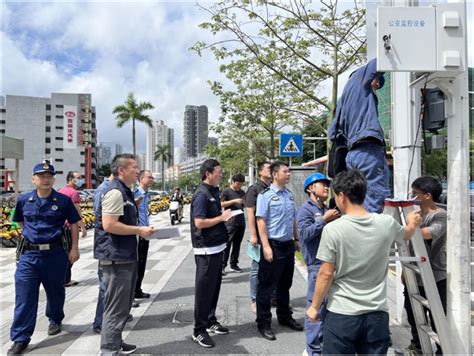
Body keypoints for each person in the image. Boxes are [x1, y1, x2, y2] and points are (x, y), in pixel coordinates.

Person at [306, 169, 421, 354]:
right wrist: (412, 224)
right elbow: (406, 234)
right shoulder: (386, 223)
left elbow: (326, 273)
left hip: (342, 314)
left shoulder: (333, 229)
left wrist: (313, 307)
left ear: (342, 196)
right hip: (377, 314)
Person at [8, 162, 81, 355]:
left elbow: (74, 223)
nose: (45, 179)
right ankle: (21, 338)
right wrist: (30, 237)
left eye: (49, 175)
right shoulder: (24, 200)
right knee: (24, 296)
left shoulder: (63, 200)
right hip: (29, 256)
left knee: (56, 292)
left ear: (54, 179)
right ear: (34, 179)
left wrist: (74, 248)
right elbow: (19, 221)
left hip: (55, 254)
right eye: (41, 176)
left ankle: (55, 319)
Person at [94, 154, 154, 355]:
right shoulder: (115, 192)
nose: (138, 171)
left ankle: (116, 341)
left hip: (125, 255)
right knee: (115, 308)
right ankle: (109, 350)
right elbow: (109, 224)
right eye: (134, 167)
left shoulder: (125, 192)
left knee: (124, 306)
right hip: (116, 257)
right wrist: (140, 230)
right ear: (121, 170)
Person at [328, 58, 389, 213]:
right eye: (377, 81)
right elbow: (379, 61)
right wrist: (395, 37)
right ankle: (371, 235)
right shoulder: (360, 78)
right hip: (367, 149)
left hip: (352, 155)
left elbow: (332, 133)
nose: (376, 86)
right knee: (375, 197)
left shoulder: (342, 101)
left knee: (358, 199)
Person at [255, 161, 303, 341]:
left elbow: (293, 219)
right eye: (286, 171)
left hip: (288, 245)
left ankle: (284, 317)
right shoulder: (265, 196)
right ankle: (263, 322)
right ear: (275, 174)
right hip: (272, 246)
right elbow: (261, 221)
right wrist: (265, 246)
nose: (289, 174)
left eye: (289, 171)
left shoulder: (289, 195)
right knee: (266, 286)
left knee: (285, 284)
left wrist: (296, 239)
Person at [190, 159, 233, 348]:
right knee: (204, 290)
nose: (221, 174)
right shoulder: (201, 194)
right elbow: (199, 222)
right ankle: (198, 330)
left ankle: (210, 320)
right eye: (218, 171)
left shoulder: (213, 191)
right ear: (208, 173)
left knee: (214, 288)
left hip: (217, 247)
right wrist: (221, 218)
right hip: (206, 249)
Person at [296, 173, 340, 355]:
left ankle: (323, 345)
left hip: (331, 265)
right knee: (315, 308)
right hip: (316, 266)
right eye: (322, 184)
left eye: (327, 185)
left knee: (329, 309)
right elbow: (304, 234)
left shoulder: (327, 209)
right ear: (310, 189)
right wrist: (324, 220)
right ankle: (312, 350)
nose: (326, 188)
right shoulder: (306, 210)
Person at [404, 176, 446, 354]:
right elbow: (409, 243)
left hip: (435, 275)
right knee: (413, 313)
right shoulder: (417, 215)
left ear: (427, 195)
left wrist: (408, 227)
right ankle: (418, 346)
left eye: (416, 193)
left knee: (437, 318)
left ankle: (442, 350)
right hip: (415, 274)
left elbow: (426, 234)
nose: (412, 197)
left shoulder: (440, 215)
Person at [245, 161, 271, 314]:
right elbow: (250, 212)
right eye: (268, 168)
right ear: (260, 171)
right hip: (259, 237)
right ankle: (254, 299)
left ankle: (271, 296)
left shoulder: (272, 189)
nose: (271, 170)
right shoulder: (254, 189)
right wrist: (253, 235)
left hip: (271, 234)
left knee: (271, 268)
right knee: (256, 269)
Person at [59, 171, 88, 287]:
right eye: (78, 178)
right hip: (69, 227)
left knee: (63, 253)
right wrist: (83, 228)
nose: (81, 180)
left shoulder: (61, 190)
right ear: (71, 179)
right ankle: (65, 279)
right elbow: (77, 213)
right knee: (70, 253)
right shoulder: (74, 193)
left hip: (60, 227)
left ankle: (62, 278)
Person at [133, 170, 154, 299]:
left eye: (152, 177)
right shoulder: (134, 194)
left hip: (145, 232)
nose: (152, 179)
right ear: (141, 179)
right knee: (137, 261)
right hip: (137, 233)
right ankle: (133, 291)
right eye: (149, 177)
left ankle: (138, 288)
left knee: (142, 261)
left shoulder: (147, 194)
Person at [221, 173, 246, 274]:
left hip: (241, 221)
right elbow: (221, 203)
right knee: (227, 244)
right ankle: (222, 266)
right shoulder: (226, 192)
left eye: (241, 184)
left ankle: (234, 264)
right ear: (233, 182)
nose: (239, 186)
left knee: (237, 244)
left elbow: (245, 204)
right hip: (230, 222)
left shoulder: (242, 192)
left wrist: (244, 202)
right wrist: (234, 201)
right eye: (238, 184)